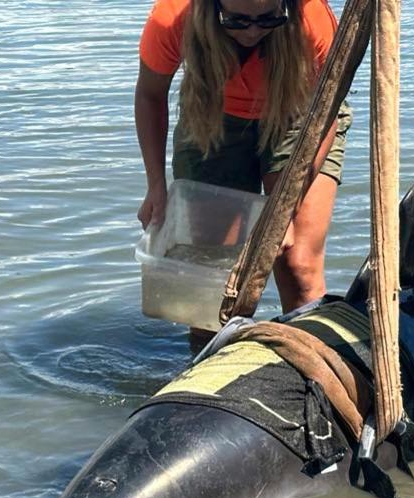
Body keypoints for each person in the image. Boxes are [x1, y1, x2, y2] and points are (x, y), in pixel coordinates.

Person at [135, 0, 351, 314]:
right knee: (213, 277)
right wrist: (155, 185)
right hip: (212, 117)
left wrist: (284, 209)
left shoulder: (312, 19)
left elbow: (326, 114)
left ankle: (304, 347)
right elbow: (150, 95)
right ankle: (211, 352)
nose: (252, 32)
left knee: (297, 265)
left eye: (267, 20)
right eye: (236, 21)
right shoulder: (172, 17)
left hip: (301, 113)